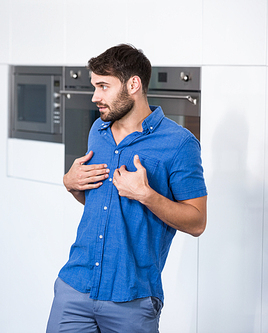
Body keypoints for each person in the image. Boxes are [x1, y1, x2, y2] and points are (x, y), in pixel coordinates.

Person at [46, 44, 207, 332]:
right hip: (75, 286)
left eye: (103, 86)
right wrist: (70, 184)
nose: (96, 96)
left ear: (133, 84)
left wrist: (147, 195)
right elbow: (105, 203)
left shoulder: (180, 144)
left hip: (131, 298)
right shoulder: (98, 130)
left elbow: (197, 222)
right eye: (95, 86)